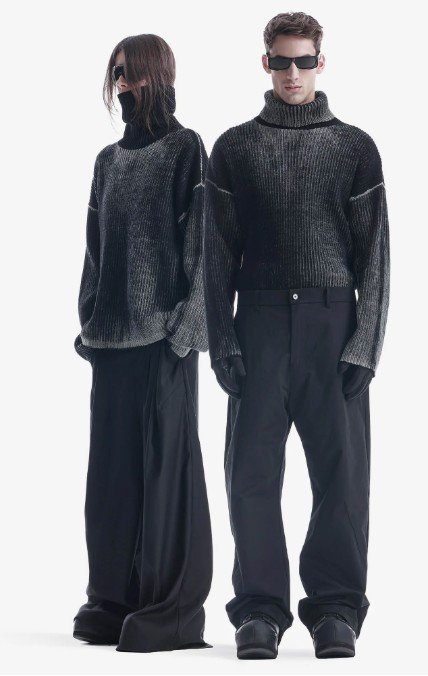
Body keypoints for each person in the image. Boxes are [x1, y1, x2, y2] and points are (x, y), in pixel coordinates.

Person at [203, 12, 390, 660]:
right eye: (281, 60)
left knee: (341, 476)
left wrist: (365, 345)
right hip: (256, 321)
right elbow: (216, 255)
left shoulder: (354, 147)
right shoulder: (233, 148)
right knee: (250, 476)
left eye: (303, 61)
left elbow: (374, 256)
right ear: (265, 63)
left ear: (320, 63)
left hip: (331, 323)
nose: (292, 73)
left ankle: (335, 610)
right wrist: (221, 341)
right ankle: (259, 610)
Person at [72, 34, 212, 653]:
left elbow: (204, 247)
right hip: (111, 341)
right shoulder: (107, 161)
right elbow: (94, 249)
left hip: (163, 340)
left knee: (167, 474)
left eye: (135, 72)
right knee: (110, 477)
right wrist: (88, 319)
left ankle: (171, 609)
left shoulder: (186, 149)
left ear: (162, 74)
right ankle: (113, 597)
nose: (126, 84)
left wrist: (186, 330)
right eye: (118, 74)